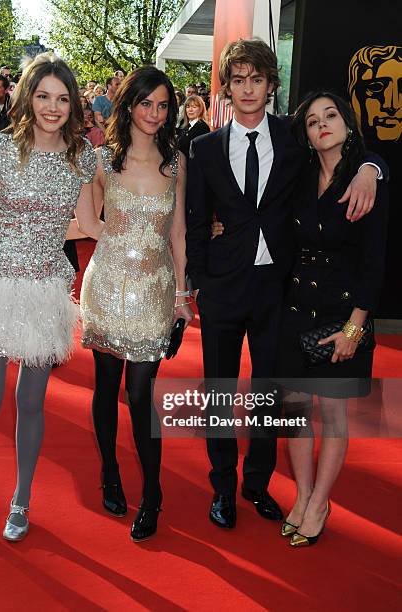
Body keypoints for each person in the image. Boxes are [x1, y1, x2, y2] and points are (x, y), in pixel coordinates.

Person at [185, 38, 383, 532]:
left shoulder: (295, 139)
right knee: (219, 391)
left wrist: (372, 169)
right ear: (226, 88)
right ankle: (224, 486)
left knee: (273, 395)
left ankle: (257, 482)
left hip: (281, 292)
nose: (247, 88)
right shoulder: (204, 147)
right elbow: (194, 222)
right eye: (238, 79)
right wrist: (201, 283)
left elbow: (351, 149)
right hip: (224, 290)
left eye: (257, 79)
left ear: (271, 86)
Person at [0, 52, 102, 543]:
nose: (52, 107)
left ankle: (21, 499)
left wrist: (147, 218)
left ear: (72, 103)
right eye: (43, 96)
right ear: (27, 97)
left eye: (62, 98)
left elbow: (87, 225)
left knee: (32, 403)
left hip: (45, 288)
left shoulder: (82, 157)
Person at [80, 66, 193, 542]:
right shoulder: (100, 160)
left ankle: (152, 493)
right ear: (128, 105)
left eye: (163, 105)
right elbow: (87, 219)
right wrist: (122, 244)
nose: (154, 113)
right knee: (107, 385)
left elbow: (179, 232)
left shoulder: (176, 163)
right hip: (107, 284)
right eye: (146, 103)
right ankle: (109, 470)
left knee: (141, 392)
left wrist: (183, 296)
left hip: (155, 291)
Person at [275, 92, 388, 547]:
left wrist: (355, 327)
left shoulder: (366, 178)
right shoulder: (300, 176)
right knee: (295, 411)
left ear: (347, 122)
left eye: (331, 116)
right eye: (312, 121)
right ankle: (302, 496)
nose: (322, 125)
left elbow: (374, 261)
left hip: (343, 314)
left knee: (334, 414)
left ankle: (321, 501)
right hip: (297, 308)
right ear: (304, 134)